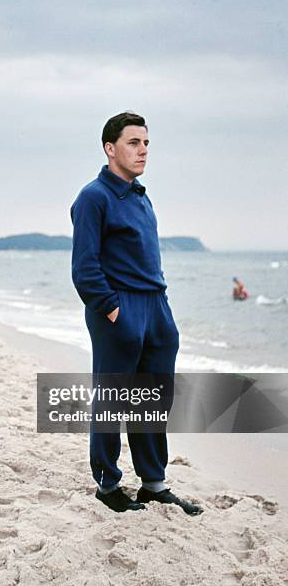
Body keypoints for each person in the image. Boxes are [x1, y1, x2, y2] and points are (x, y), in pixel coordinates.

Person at [70, 112, 202, 516]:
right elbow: (85, 269)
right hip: (119, 310)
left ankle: (154, 483)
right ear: (111, 149)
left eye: (146, 143)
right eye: (133, 143)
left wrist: (161, 312)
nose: (143, 150)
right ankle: (108, 485)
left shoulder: (142, 196)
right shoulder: (94, 197)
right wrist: (114, 312)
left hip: (156, 307)